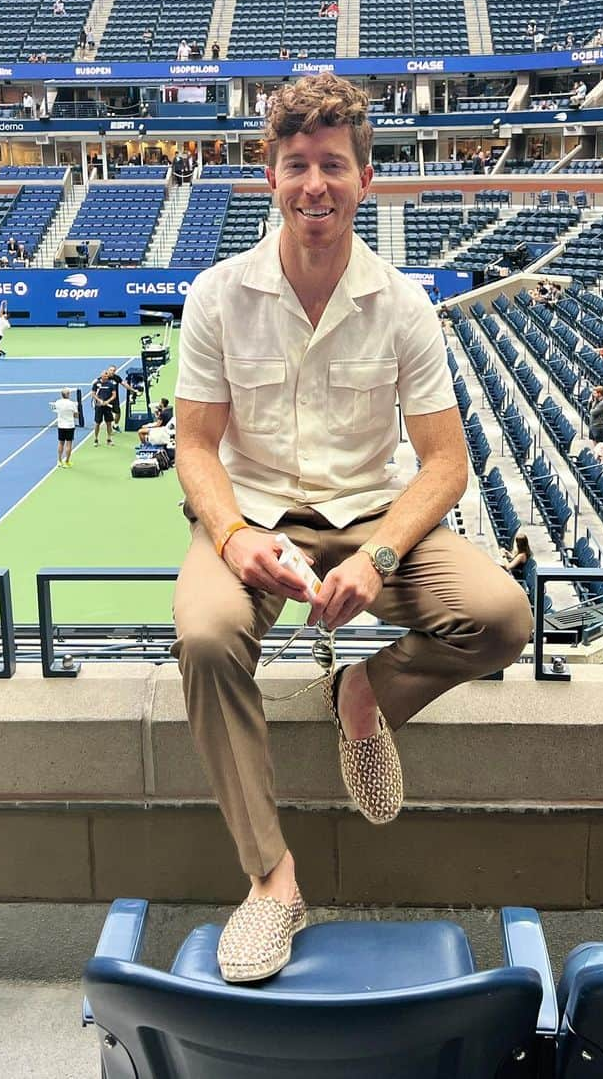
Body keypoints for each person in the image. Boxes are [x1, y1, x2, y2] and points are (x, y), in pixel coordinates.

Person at [171, 73, 531, 984]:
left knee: (500, 616)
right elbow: (197, 447)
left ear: (366, 179)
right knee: (208, 637)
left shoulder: (404, 304)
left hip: (372, 511)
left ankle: (366, 696)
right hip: (254, 514)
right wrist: (230, 539)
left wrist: (379, 553)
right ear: (271, 176)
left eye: (333, 165)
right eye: (297, 165)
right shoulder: (216, 294)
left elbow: (444, 462)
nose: (314, 185)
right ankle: (271, 880)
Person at [51, 389, 79, 468]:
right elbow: (76, 415)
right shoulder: (72, 404)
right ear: (68, 395)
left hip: (61, 426)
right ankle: (67, 461)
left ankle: (59, 461)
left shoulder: (58, 402)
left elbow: (55, 410)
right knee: (69, 444)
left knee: (61, 443)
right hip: (70, 426)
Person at [90, 370, 118, 446]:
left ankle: (109, 439)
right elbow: (93, 394)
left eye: (107, 376)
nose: (106, 377)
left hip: (107, 407)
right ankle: (96, 439)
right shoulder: (96, 384)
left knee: (109, 423)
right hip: (99, 407)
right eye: (104, 376)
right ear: (101, 376)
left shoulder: (111, 384)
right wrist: (99, 400)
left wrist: (107, 401)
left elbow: (114, 395)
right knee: (97, 423)